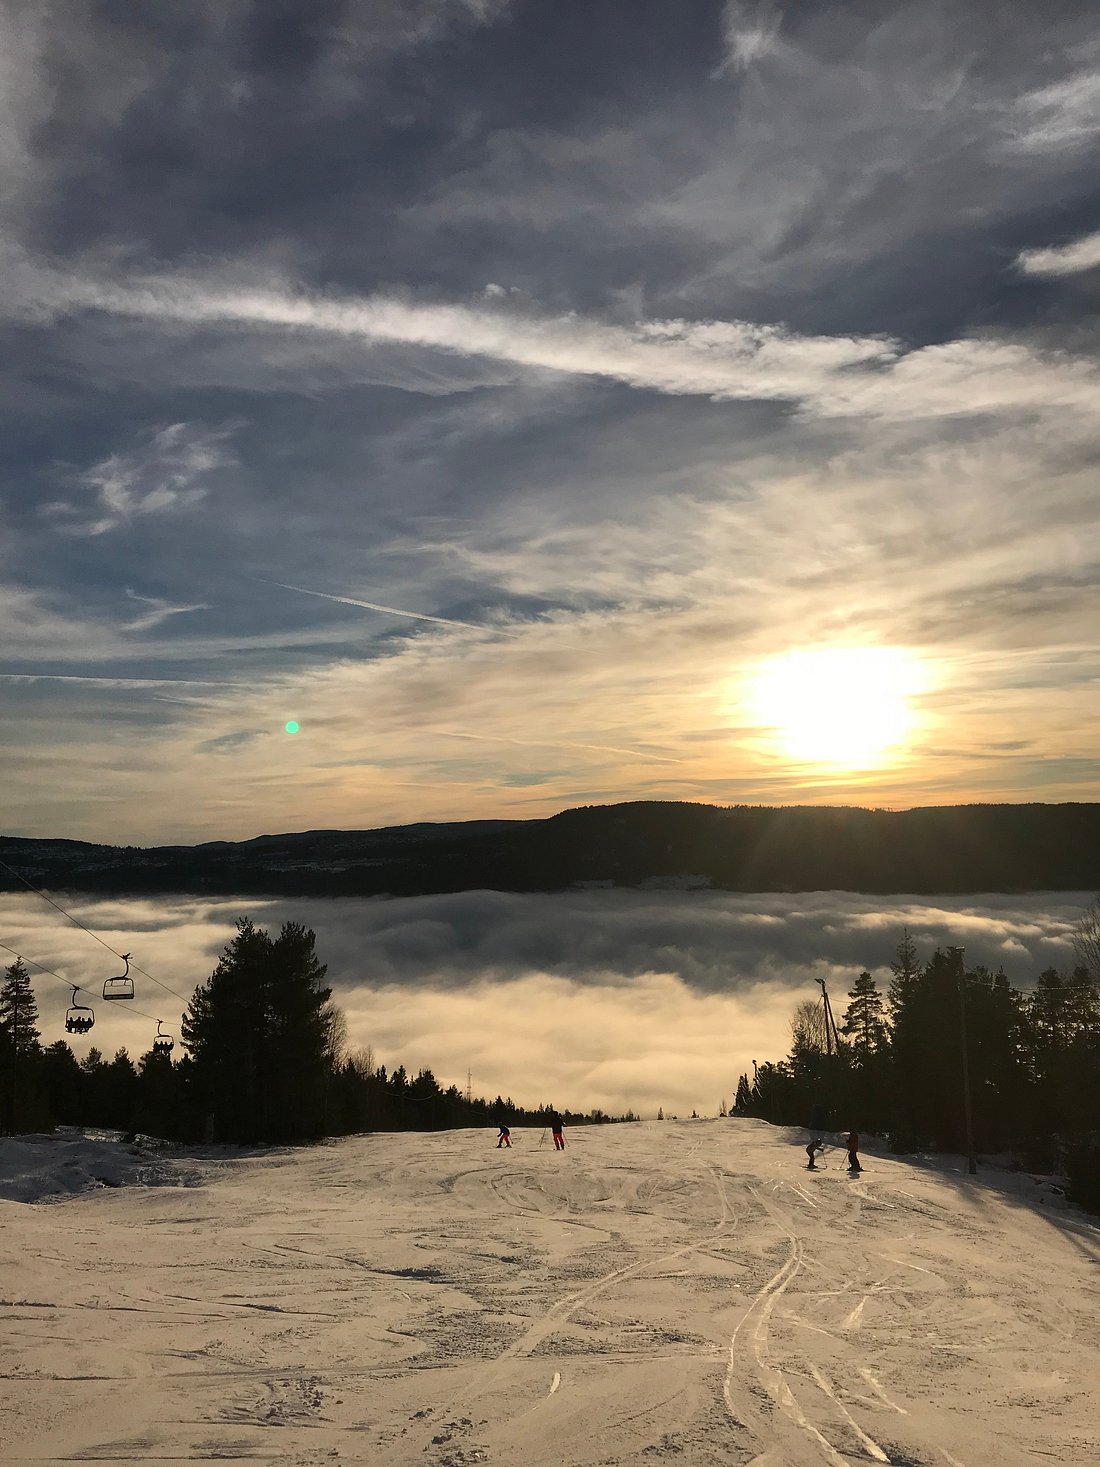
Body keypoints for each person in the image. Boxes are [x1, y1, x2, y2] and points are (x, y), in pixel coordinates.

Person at [806, 1101, 828, 1168]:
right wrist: (819, 1148)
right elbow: (814, 1146)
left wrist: (820, 1149)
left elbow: (816, 1147)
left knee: (812, 1157)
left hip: (809, 1150)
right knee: (812, 1157)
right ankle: (811, 1165)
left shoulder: (815, 1143)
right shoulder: (814, 1143)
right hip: (809, 1150)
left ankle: (811, 1164)